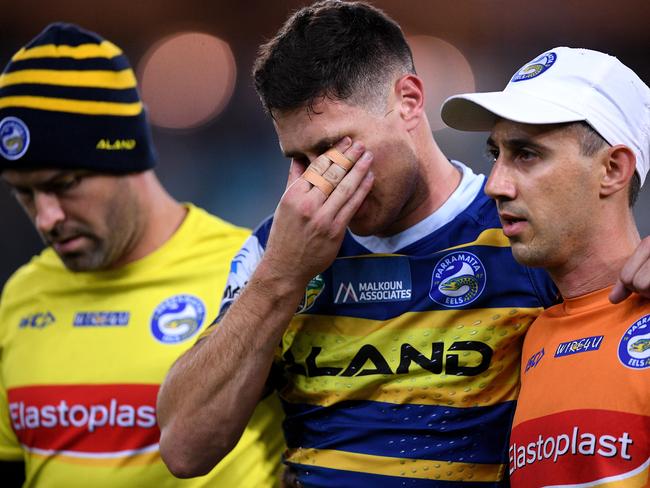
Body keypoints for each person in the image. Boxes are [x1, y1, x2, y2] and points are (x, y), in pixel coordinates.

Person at [157, 3, 650, 487]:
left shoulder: (522, 230)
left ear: (409, 101)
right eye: (300, 159)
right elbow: (183, 448)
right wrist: (280, 277)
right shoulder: (280, 247)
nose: (323, 179)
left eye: (335, 147)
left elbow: (610, 303)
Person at [0, 23, 284, 487]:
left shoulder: (249, 268)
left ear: (125, 156)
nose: (46, 217)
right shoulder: (22, 295)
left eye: (63, 185)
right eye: (25, 194)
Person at [441, 47, 650, 485]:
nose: (495, 185)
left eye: (527, 154)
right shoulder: (528, 335)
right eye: (494, 154)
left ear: (613, 169)